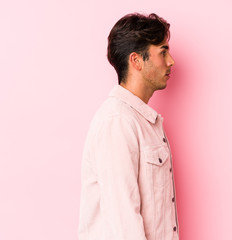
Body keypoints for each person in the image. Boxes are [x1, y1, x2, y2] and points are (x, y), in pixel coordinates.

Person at [78, 13, 179, 240]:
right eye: (163, 52)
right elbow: (122, 221)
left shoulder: (144, 122)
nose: (171, 61)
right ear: (136, 61)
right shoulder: (118, 122)